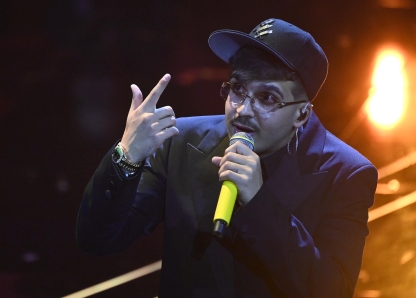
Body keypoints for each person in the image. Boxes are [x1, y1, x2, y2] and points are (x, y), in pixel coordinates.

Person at [76, 18, 378, 297]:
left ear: (301, 113)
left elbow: (332, 291)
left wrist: (260, 203)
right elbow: (98, 240)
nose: (243, 109)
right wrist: (126, 157)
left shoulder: (346, 173)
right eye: (237, 89)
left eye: (267, 98)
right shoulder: (179, 142)